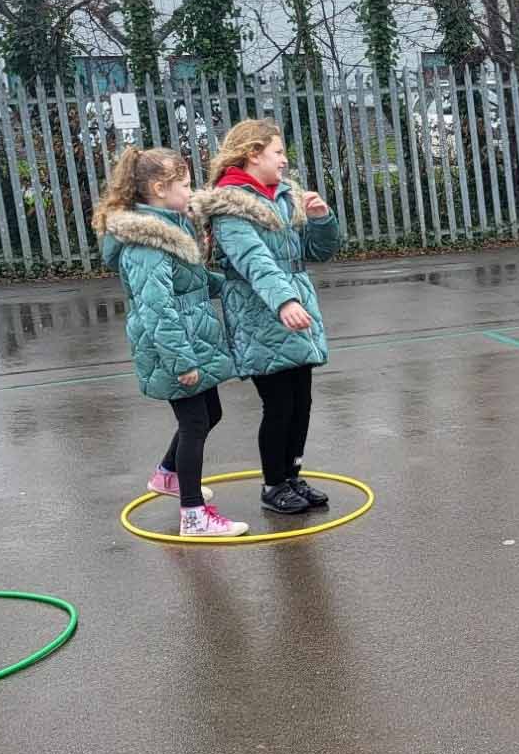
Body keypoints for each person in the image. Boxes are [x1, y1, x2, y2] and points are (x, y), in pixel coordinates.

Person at [94, 145, 247, 538]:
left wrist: (229, 284)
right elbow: (157, 309)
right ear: (160, 189)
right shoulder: (147, 242)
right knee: (195, 423)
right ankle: (193, 515)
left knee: (210, 414)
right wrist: (183, 363)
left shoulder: (172, 226)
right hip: (173, 348)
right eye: (185, 184)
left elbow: (189, 284)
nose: (191, 191)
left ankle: (167, 475)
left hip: (191, 338)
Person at [194, 119, 342, 513]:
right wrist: (283, 302)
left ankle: (293, 474)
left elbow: (314, 252)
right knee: (278, 404)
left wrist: (322, 218)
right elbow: (254, 261)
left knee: (302, 400)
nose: (284, 159)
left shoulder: (283, 196)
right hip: (261, 315)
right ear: (252, 154)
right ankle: (273, 483)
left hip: (295, 309)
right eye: (277, 152)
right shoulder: (230, 206)